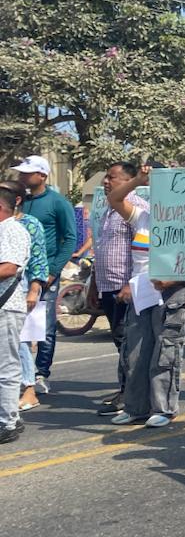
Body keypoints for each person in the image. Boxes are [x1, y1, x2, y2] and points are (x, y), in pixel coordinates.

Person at [105, 165, 185, 428]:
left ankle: (163, 408)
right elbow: (114, 199)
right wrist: (138, 180)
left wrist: (171, 280)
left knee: (164, 353)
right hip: (142, 293)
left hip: (172, 294)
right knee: (135, 351)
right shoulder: (142, 216)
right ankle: (136, 407)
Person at [14, 155, 75, 394]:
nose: (21, 176)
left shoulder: (58, 202)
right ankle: (22, 373)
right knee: (21, 327)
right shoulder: (21, 202)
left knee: (43, 327)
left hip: (45, 273)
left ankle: (41, 373)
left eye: (26, 173)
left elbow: (70, 239)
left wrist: (53, 271)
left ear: (42, 175)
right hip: (19, 274)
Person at [93, 163, 144, 417]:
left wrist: (130, 284)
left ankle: (131, 396)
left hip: (125, 288)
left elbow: (143, 247)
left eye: (111, 177)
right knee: (120, 342)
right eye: (105, 177)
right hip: (108, 286)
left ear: (127, 180)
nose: (105, 181)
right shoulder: (108, 209)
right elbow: (102, 248)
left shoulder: (135, 207)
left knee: (128, 342)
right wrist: (94, 285)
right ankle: (126, 390)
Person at [0, 182, 50, 412]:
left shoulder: (28, 225)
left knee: (22, 343)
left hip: (20, 291)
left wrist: (34, 290)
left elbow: (38, 260)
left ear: (16, 199)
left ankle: (28, 390)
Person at [0, 187, 32, 444]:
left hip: (6, 308)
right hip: (5, 308)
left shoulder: (10, 230)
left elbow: (10, 267)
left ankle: (7, 422)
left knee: (6, 367)